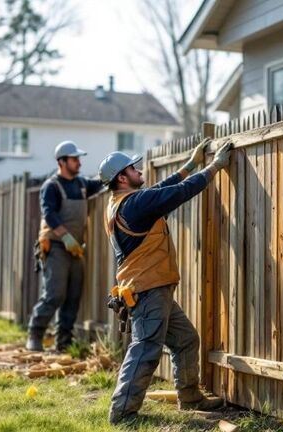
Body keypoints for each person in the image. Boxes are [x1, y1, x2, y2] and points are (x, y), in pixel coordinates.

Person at [98, 137, 233, 424]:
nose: (138, 170)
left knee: (185, 340)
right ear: (122, 178)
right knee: (146, 349)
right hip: (148, 289)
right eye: (133, 169)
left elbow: (160, 190)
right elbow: (178, 192)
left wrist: (191, 165)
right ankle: (122, 413)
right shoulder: (134, 204)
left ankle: (190, 397)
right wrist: (213, 167)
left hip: (151, 288)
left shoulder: (121, 203)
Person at [26, 141, 105, 352]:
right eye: (74, 159)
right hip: (56, 246)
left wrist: (116, 173)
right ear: (62, 162)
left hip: (75, 248)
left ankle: (63, 341)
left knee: (73, 295)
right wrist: (66, 238)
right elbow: (49, 214)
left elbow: (101, 184)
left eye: (79, 159)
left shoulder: (82, 184)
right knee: (55, 294)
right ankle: (35, 333)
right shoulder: (51, 186)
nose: (79, 162)